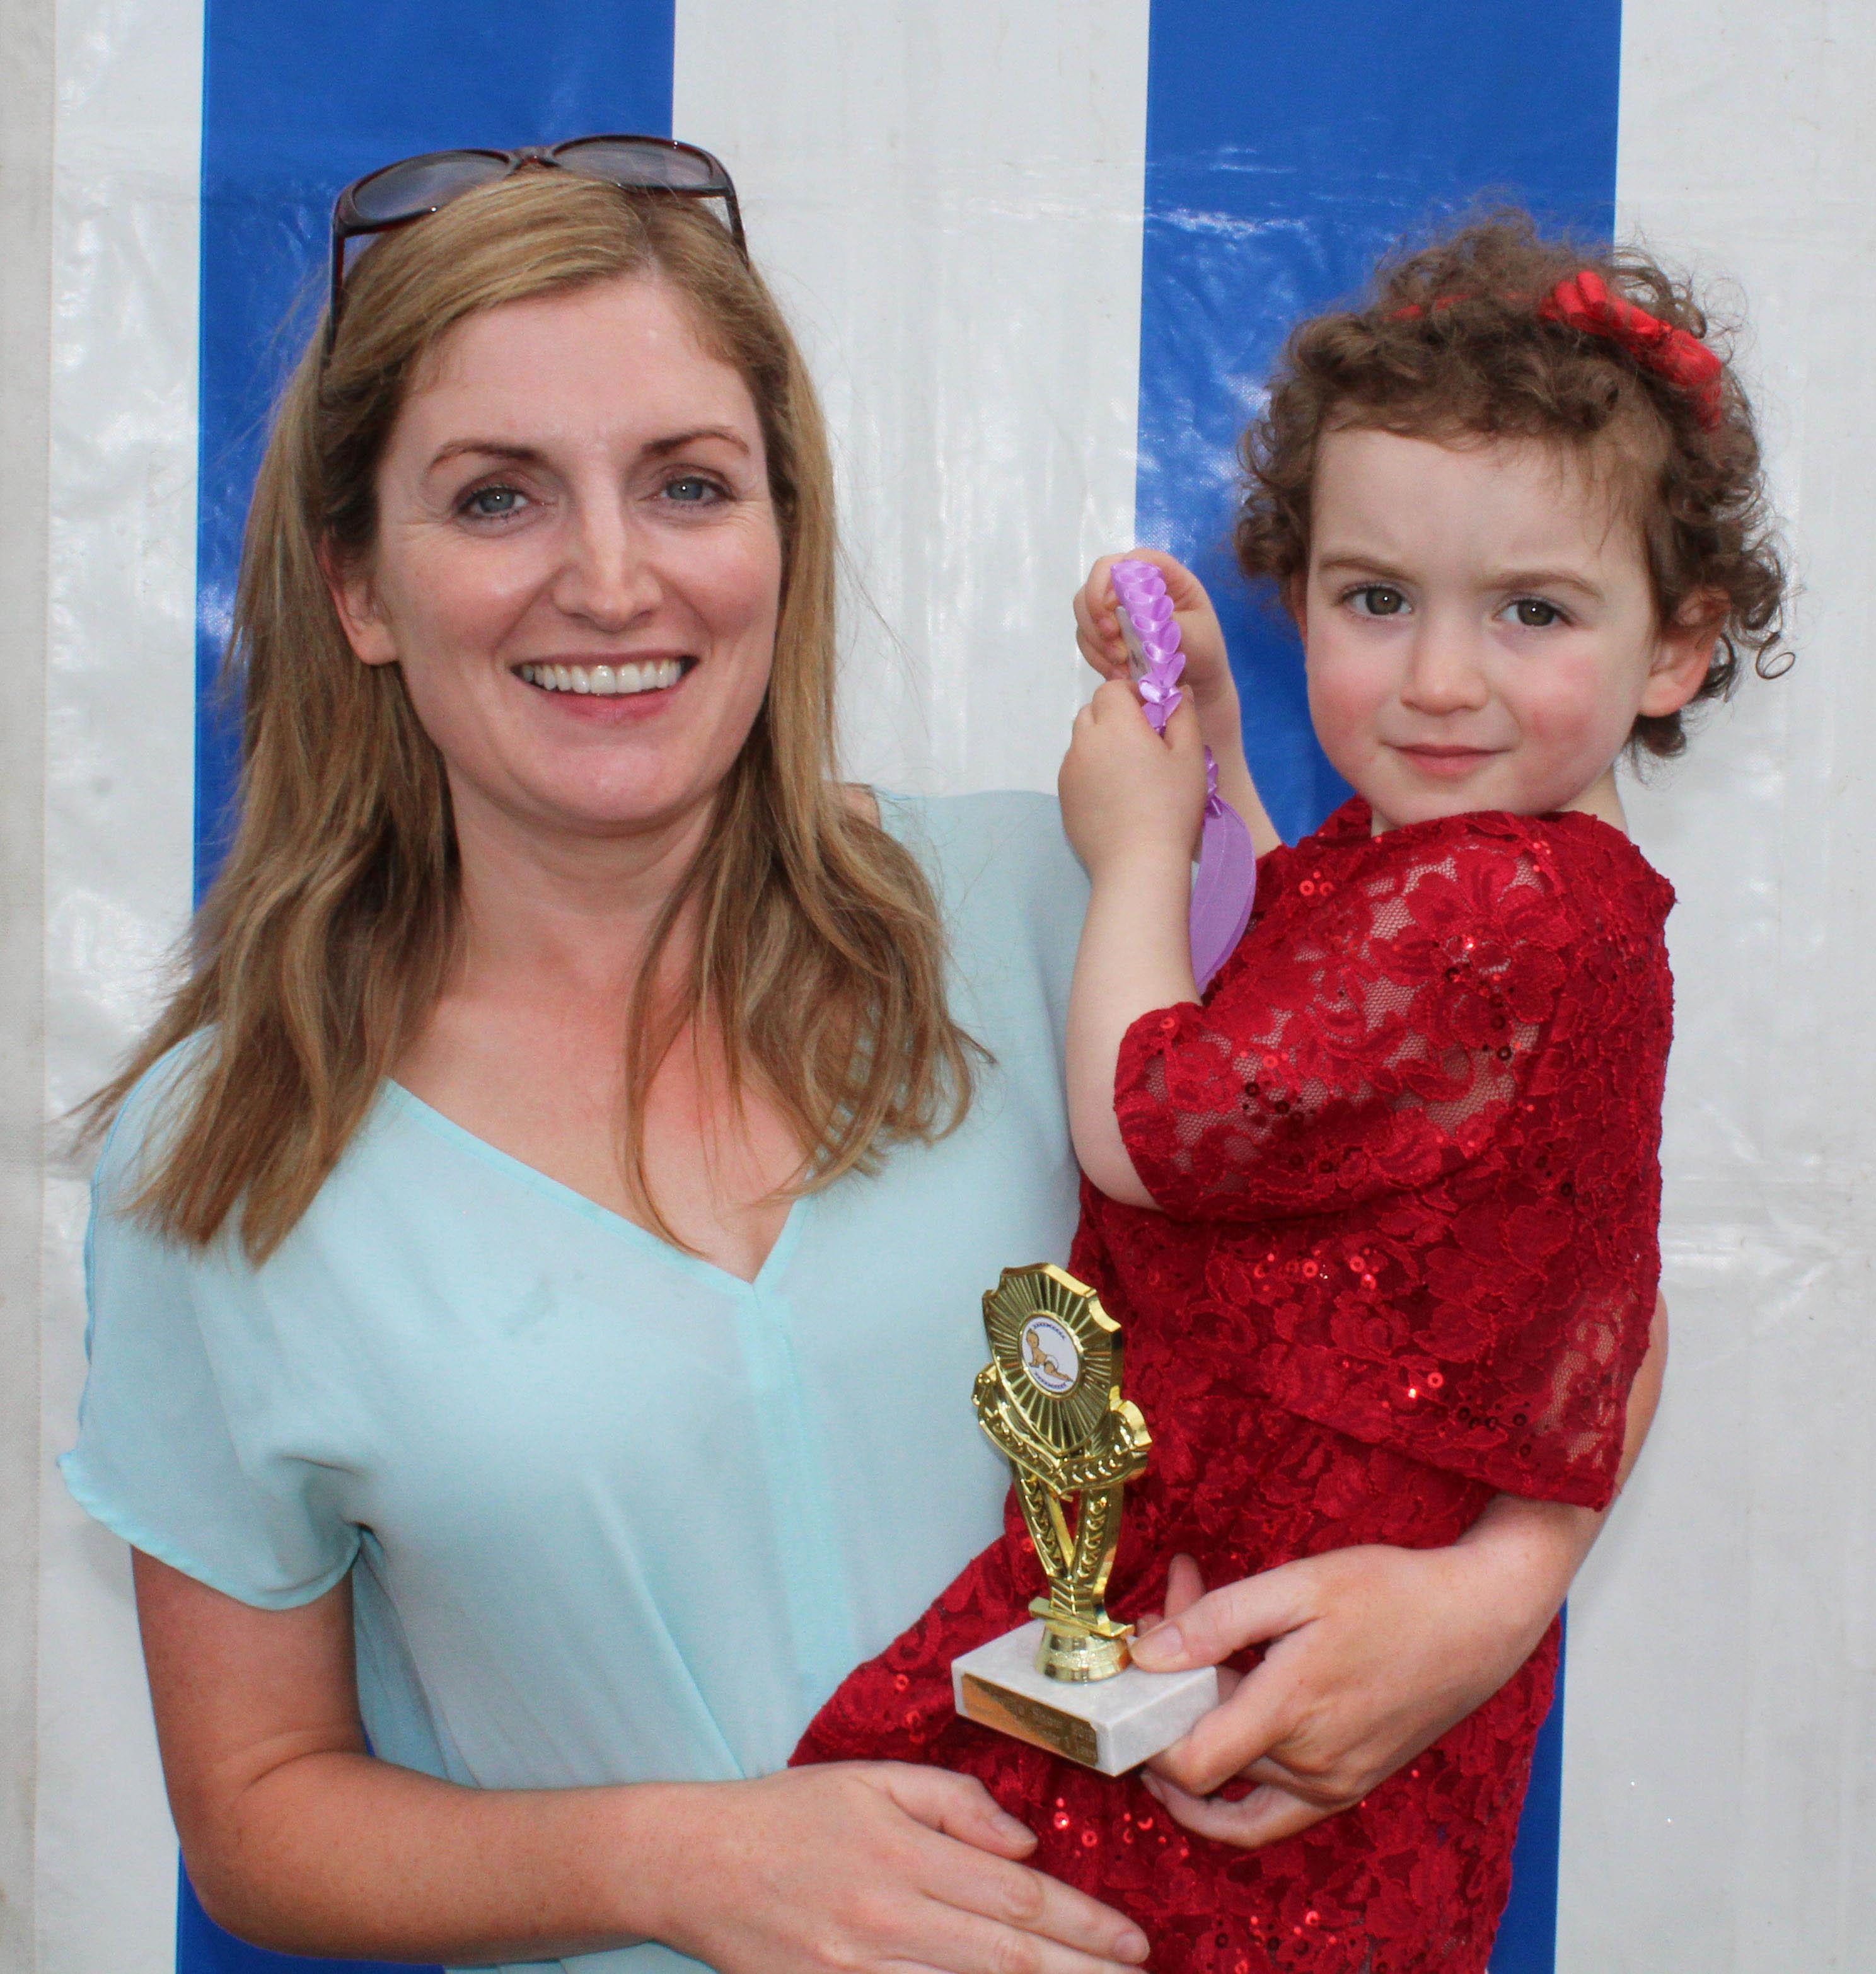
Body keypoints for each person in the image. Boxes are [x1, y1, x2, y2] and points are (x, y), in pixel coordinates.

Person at [62, 152, 1670, 1974]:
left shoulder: (1080, 912)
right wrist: (679, 1867)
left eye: (687, 483)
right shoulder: (229, 1149)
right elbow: (259, 1813)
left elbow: (1559, 1265)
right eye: (498, 496)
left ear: (784, 535)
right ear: (357, 585)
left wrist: (1491, 1595)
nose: (611, 578)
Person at [792, 216, 1787, 1972]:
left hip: (1261, 1616)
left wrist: (1132, 849)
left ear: (1676, 647)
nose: (1438, 678)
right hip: (1319, 1602)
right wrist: (1220, 746)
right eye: (1374, 599)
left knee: (952, 1877)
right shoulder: (1501, 875)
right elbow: (1286, 979)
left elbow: (1162, 1126)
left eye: (1532, 610)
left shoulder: (1495, 905)